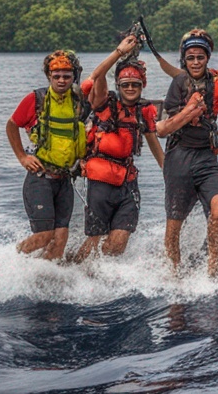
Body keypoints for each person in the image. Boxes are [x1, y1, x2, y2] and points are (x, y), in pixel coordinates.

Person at [70, 35, 165, 262]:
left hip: (127, 181)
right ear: (119, 86)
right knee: (95, 238)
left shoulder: (144, 111)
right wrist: (119, 52)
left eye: (135, 85)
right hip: (100, 180)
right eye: (125, 85)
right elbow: (99, 75)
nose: (130, 88)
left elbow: (153, 142)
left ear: (142, 86)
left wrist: (167, 171)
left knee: (118, 242)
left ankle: (99, 272)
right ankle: (73, 268)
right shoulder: (104, 103)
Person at [155, 29, 218, 276]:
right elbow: (163, 129)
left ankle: (212, 269)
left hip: (206, 156)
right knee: (174, 224)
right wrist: (190, 111)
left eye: (200, 57)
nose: (196, 62)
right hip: (179, 156)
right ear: (184, 60)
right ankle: (173, 273)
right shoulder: (178, 83)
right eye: (190, 58)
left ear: (207, 57)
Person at [7, 50, 92, 261]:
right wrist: (22, 157)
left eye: (66, 76)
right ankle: (9, 262)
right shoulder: (36, 98)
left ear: (74, 77)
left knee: (61, 237)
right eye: (57, 76)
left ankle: (45, 277)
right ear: (49, 77)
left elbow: (97, 77)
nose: (61, 80)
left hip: (64, 181)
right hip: (40, 179)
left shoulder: (78, 102)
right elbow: (12, 125)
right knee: (44, 235)